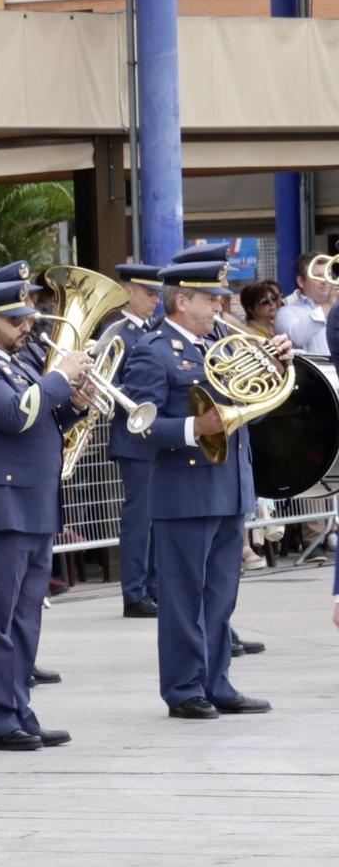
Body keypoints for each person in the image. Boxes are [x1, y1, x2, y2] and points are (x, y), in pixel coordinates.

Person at [120, 253, 284, 720]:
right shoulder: (153, 351)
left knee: (220, 595)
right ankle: (184, 687)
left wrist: (273, 368)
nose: (220, 305)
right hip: (186, 489)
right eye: (211, 298)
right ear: (182, 299)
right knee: (184, 595)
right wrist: (196, 426)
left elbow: (251, 408)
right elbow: (139, 425)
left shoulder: (225, 344)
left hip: (229, 484)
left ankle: (217, 680)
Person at [0, 276, 92, 751]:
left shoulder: (15, 362)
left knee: (25, 621)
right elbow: (15, 415)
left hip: (29, 506)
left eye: (26, 316)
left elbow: (38, 420)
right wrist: (60, 378)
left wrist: (75, 406)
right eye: (16, 319)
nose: (27, 326)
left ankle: (20, 710)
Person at [107, 261, 165, 620]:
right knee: (140, 518)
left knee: (159, 516)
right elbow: (107, 384)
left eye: (158, 293)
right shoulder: (117, 332)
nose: (155, 300)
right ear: (128, 290)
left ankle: (155, 587)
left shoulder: (156, 330)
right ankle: (135, 592)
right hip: (134, 435)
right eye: (148, 293)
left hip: (158, 437)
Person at [273, 251, 331, 357]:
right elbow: (295, 339)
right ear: (301, 281)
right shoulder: (286, 312)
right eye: (318, 276)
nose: (326, 280)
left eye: (329, 275)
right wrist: (329, 305)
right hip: (314, 373)